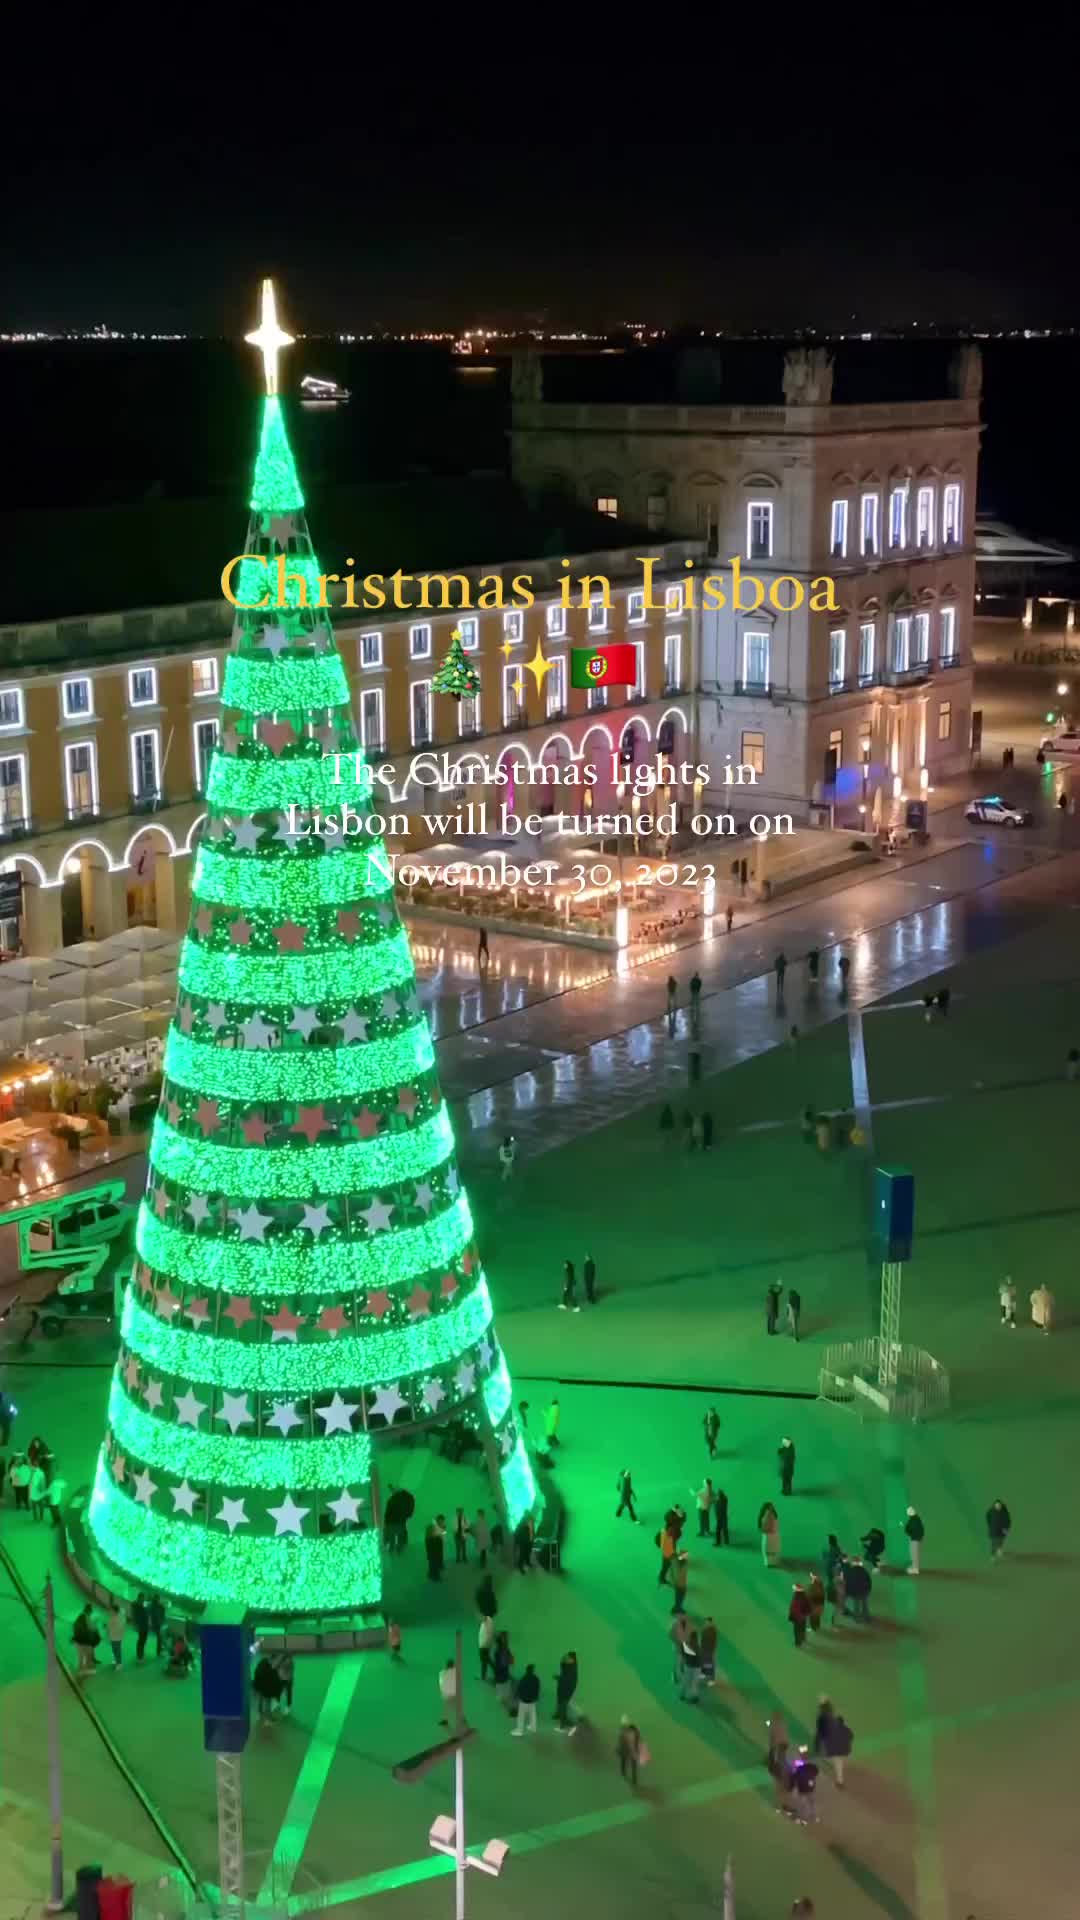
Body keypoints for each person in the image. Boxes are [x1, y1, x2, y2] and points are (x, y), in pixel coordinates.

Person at [791, 1748, 819, 1823]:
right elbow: (816, 1773)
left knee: (802, 1803)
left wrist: (793, 1784)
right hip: (811, 1786)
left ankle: (801, 1817)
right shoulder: (812, 1765)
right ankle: (814, 1816)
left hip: (802, 1787)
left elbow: (795, 1776)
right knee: (812, 1801)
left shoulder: (798, 1765)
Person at [511, 1663, 540, 1736]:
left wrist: (516, 1696)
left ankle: (519, 1731)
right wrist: (536, 1698)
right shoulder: (536, 1678)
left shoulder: (524, 1678)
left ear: (526, 1670)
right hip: (532, 1700)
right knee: (533, 1714)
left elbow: (519, 1688)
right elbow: (537, 1689)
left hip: (524, 1700)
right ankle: (533, 1727)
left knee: (521, 1716)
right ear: (533, 1670)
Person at [826, 1712, 854, 1786]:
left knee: (838, 1766)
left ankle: (840, 1782)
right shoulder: (846, 1729)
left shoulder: (832, 1729)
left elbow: (828, 1740)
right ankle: (839, 1780)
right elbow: (851, 1737)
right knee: (839, 1765)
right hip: (845, 1752)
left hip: (836, 1752)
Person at [554, 1651, 578, 1732]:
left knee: (562, 1708)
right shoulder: (571, 1667)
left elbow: (566, 1679)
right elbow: (563, 1666)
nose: (566, 1659)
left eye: (568, 1658)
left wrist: (559, 1678)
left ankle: (563, 1726)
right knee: (562, 1707)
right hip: (566, 1690)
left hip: (565, 1691)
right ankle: (566, 1723)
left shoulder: (571, 1669)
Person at [72, 1606, 100, 1674]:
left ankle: (80, 1670)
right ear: (89, 1611)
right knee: (88, 1655)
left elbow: (74, 1626)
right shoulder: (86, 1617)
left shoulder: (80, 1617)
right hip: (85, 1641)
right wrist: (95, 1626)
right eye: (91, 1612)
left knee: (81, 1656)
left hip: (78, 1640)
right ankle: (86, 1670)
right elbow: (92, 1628)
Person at [616, 1715, 642, 1786]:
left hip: (628, 1750)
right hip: (630, 1750)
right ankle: (631, 1777)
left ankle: (626, 1774)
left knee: (626, 1762)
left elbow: (621, 1741)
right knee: (629, 1763)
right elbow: (638, 1738)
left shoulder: (623, 1731)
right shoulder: (633, 1729)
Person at [679, 1627, 702, 1703]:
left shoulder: (684, 1645)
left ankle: (682, 1695)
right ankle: (693, 1697)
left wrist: (681, 1665)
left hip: (688, 1665)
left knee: (686, 1680)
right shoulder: (698, 1646)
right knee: (694, 1682)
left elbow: (682, 1657)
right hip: (696, 1666)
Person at [845, 1557, 872, 1621]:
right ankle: (866, 1617)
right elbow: (868, 1581)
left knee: (856, 1605)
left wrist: (848, 1592)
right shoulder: (863, 1571)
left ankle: (856, 1618)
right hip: (864, 1591)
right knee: (865, 1605)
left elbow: (847, 1582)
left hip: (855, 1592)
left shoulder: (850, 1571)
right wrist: (868, 1589)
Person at [493, 1631, 514, 1708]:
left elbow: (507, 1661)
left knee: (501, 1684)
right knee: (504, 1683)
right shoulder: (503, 1650)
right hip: (503, 1672)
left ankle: (502, 1697)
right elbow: (509, 1661)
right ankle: (505, 1697)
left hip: (500, 1672)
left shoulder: (499, 1651)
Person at [766, 1708, 790, 1779]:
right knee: (782, 1758)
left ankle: (782, 1774)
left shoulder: (774, 1725)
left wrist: (772, 1746)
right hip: (785, 1743)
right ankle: (786, 1772)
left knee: (780, 1759)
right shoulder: (783, 1723)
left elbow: (772, 1736)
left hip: (779, 1743)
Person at [788, 1582, 811, 1648]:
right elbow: (808, 1607)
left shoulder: (796, 1597)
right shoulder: (804, 1596)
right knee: (802, 1628)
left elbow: (794, 1608)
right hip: (802, 1617)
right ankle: (802, 1639)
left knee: (797, 1630)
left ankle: (798, 1642)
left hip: (797, 1617)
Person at [758, 1501, 780, 1567]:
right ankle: (769, 1562)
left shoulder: (768, 1514)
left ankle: (771, 1562)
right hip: (770, 1534)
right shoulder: (767, 1515)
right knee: (770, 1548)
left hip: (772, 1534)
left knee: (772, 1548)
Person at [425, 1515, 446, 1582]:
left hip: (438, 1546)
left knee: (434, 1562)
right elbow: (429, 1536)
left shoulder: (442, 1526)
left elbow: (443, 1534)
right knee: (433, 1562)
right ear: (437, 1520)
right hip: (432, 1546)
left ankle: (431, 1574)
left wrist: (442, 1530)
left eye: (443, 1521)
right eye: (441, 1520)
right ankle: (435, 1576)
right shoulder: (431, 1526)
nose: (442, 1522)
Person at [904, 1505, 925, 1575]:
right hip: (917, 1538)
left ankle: (915, 1569)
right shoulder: (917, 1519)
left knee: (914, 1553)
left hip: (915, 1538)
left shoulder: (913, 1520)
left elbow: (909, 1529)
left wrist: (906, 1528)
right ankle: (914, 1567)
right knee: (914, 1553)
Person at [438, 1657, 459, 1726]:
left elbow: (441, 1683)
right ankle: (461, 1719)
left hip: (447, 1694)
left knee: (447, 1707)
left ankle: (445, 1720)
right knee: (454, 1707)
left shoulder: (443, 1672)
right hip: (452, 1693)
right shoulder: (455, 1672)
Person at [106, 1602, 125, 1668]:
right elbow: (110, 1625)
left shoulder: (119, 1618)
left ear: (114, 1610)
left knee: (117, 1649)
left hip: (116, 1637)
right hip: (113, 1636)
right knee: (114, 1649)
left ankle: (119, 1663)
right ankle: (115, 1660)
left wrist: (110, 1629)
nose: (109, 1611)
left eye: (111, 1610)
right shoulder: (113, 1616)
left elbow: (119, 1628)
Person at [699, 1616, 718, 1685]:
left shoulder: (713, 1630)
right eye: (706, 1622)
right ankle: (703, 1674)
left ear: (711, 1622)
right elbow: (702, 1639)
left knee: (709, 1665)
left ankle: (711, 1679)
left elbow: (714, 1642)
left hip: (709, 1650)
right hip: (704, 1649)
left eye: (708, 1622)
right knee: (703, 1662)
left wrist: (713, 1651)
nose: (707, 1623)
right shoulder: (704, 1629)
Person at [132, 1594, 150, 1663]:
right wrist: (136, 1625)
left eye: (144, 1598)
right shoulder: (137, 1606)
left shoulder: (141, 1605)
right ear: (139, 1598)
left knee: (143, 1640)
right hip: (141, 1626)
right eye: (142, 1598)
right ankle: (139, 1656)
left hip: (144, 1625)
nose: (143, 1600)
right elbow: (137, 1617)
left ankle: (141, 1653)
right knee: (141, 1640)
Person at [478, 1612, 496, 1682]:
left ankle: (484, 1676)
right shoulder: (491, 1622)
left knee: (485, 1660)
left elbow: (483, 1618)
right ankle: (483, 1676)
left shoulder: (487, 1620)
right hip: (487, 1645)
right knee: (486, 1660)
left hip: (483, 1645)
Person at [148, 1593, 166, 1658]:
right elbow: (162, 1615)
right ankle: (159, 1651)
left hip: (155, 1623)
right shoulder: (158, 1606)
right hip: (157, 1624)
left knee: (160, 1638)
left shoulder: (152, 1605)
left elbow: (148, 1613)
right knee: (160, 1638)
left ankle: (160, 1650)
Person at [831, 1559, 847, 1625]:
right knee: (838, 1609)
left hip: (838, 1595)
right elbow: (843, 1584)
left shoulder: (835, 1578)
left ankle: (835, 1620)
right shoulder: (838, 1579)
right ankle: (835, 1621)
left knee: (837, 1608)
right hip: (840, 1595)